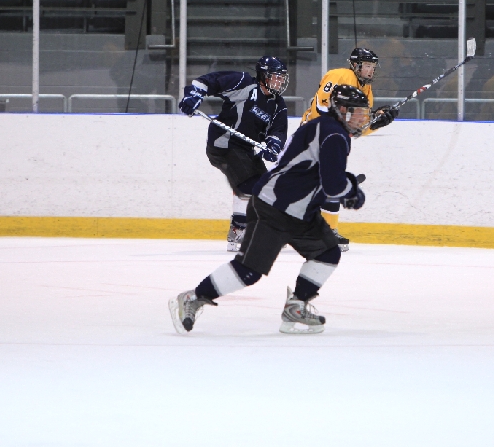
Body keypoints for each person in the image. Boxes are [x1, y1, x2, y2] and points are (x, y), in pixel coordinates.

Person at [170, 84, 371, 335]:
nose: (362, 118)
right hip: (273, 208)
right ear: (341, 110)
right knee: (249, 270)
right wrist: (351, 191)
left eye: (364, 112)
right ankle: (193, 297)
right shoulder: (334, 134)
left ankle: (296, 306)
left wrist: (345, 186)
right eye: (357, 112)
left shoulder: (326, 128)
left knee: (327, 252)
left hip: (299, 212)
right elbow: (332, 184)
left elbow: (317, 174)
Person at [178, 56, 290, 251]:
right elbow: (208, 81)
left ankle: (243, 229)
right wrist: (193, 96)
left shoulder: (278, 104)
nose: (280, 82)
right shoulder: (244, 83)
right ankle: (242, 230)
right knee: (250, 184)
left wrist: (273, 145)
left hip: (245, 150)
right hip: (223, 144)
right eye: (276, 77)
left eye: (282, 78)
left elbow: (278, 131)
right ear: (264, 76)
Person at [300, 47, 397, 251]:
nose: (370, 70)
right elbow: (320, 106)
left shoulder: (366, 91)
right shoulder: (339, 76)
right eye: (367, 66)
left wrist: (377, 122)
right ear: (355, 65)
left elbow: (358, 129)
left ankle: (324, 230)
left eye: (373, 66)